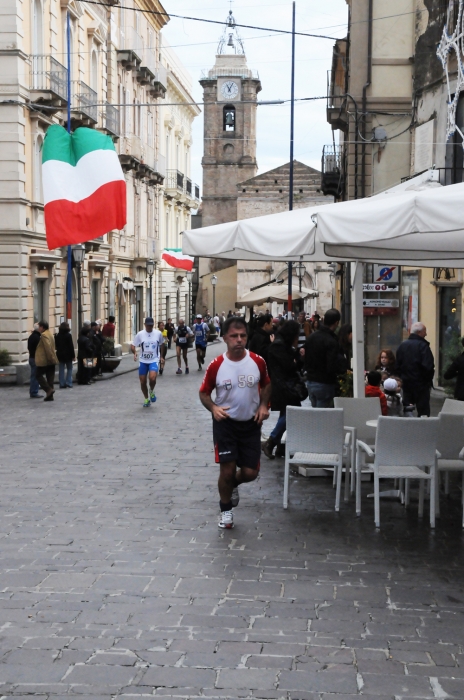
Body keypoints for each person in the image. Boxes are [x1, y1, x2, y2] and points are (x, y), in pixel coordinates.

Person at [199, 316, 271, 529]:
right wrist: (213, 408)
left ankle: (233, 485)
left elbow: (267, 384)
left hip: (251, 424)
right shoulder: (217, 365)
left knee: (250, 473)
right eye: (234, 336)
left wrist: (263, 405)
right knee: (227, 471)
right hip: (226, 424)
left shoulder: (258, 361)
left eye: (242, 336)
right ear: (224, 338)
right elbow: (204, 393)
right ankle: (226, 510)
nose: (239, 340)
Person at [264, 320, 303, 459]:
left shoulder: (283, 345)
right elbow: (289, 366)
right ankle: (272, 441)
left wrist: (297, 355)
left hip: (284, 384)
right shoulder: (279, 346)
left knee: (286, 414)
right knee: (291, 413)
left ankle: (281, 446)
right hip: (283, 385)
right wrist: (298, 360)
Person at [304, 308, 347, 407]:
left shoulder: (312, 337)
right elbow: (331, 365)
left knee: (317, 414)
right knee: (323, 417)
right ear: (336, 323)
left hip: (311, 381)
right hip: (325, 383)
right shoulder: (331, 340)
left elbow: (306, 359)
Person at [396, 322, 435, 417]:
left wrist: (402, 379)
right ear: (419, 332)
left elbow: (397, 366)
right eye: (424, 331)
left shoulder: (402, 346)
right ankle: (423, 429)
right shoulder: (423, 346)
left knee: (408, 409)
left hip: (406, 383)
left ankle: (409, 429)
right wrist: (427, 380)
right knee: (423, 411)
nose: (426, 334)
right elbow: (428, 366)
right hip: (421, 385)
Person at [131, 317, 163, 408]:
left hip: (154, 360)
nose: (149, 327)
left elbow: (162, 344)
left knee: (152, 378)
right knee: (142, 381)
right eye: (148, 325)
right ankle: (146, 398)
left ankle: (151, 391)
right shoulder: (140, 334)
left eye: (151, 325)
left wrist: (162, 357)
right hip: (143, 361)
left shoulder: (158, 333)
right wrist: (135, 353)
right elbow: (133, 345)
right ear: (145, 325)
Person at [35, 320, 58, 401]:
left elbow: (48, 348)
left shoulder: (44, 335)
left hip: (46, 360)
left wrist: (50, 358)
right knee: (50, 378)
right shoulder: (50, 333)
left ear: (42, 327)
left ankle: (48, 390)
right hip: (51, 359)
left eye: (39, 327)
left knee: (38, 375)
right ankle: (50, 396)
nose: (39, 328)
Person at [54, 322, 75, 389]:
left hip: (60, 354)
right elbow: (71, 346)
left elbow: (56, 346)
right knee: (69, 368)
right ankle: (69, 382)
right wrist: (73, 355)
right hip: (68, 354)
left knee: (61, 369)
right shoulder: (68, 335)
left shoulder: (57, 335)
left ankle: (62, 383)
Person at [27, 323, 43, 398]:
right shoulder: (37, 338)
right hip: (35, 358)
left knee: (34, 375)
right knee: (35, 375)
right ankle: (34, 392)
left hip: (31, 357)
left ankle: (33, 390)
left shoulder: (31, 336)